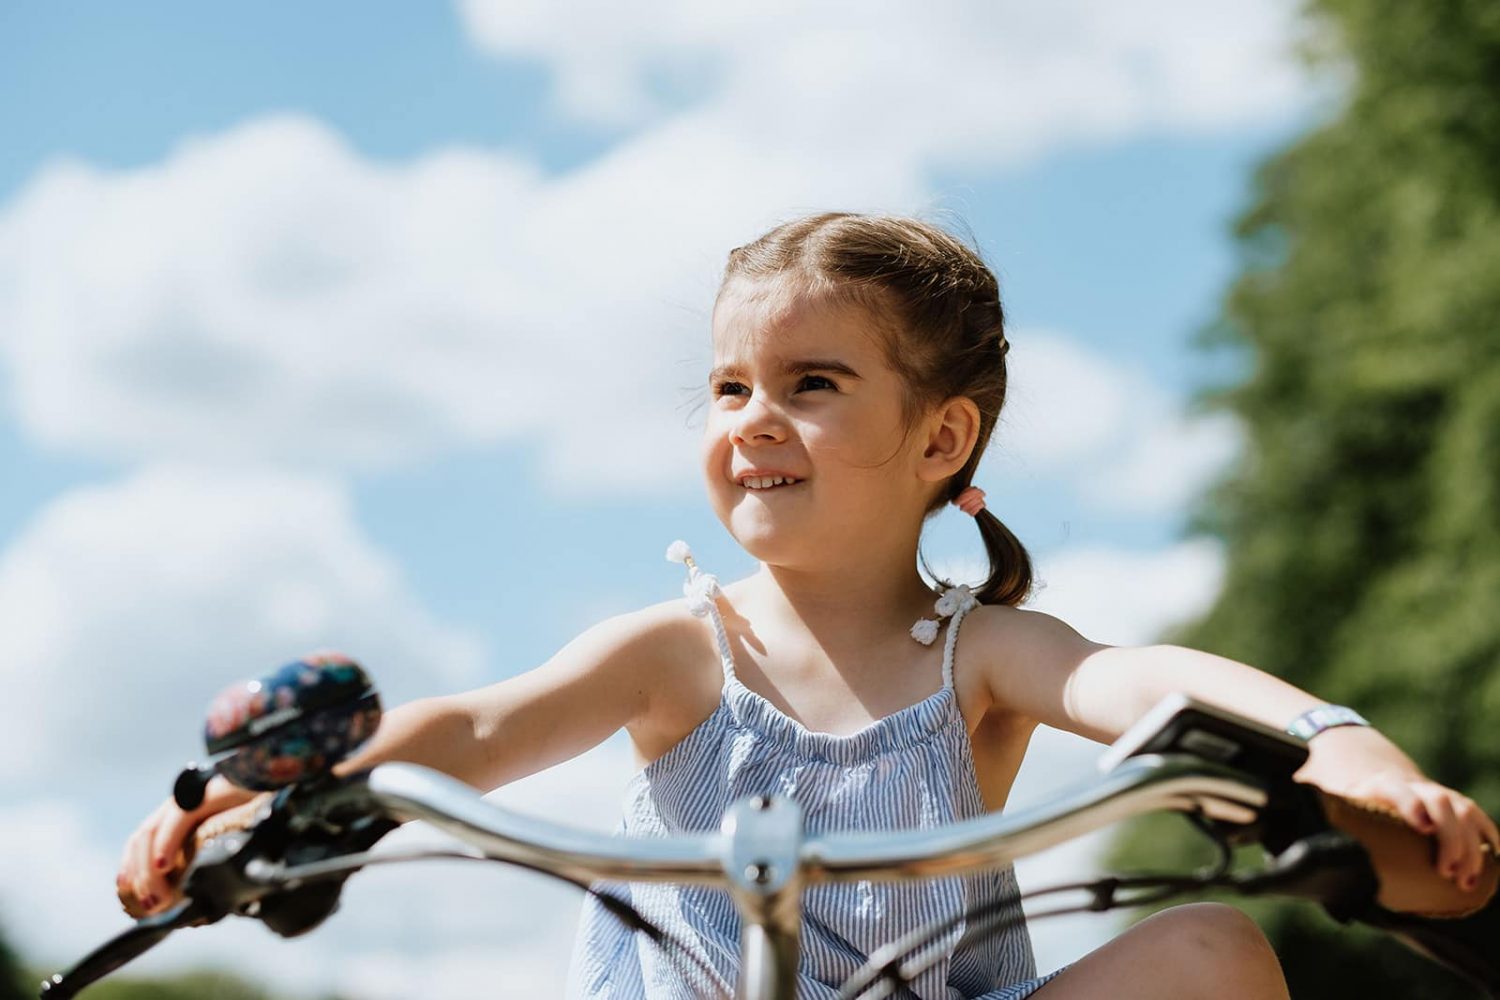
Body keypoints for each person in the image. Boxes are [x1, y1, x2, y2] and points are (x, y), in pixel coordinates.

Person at [118, 213, 1498, 998]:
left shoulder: (981, 656)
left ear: (942, 441)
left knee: (1213, 949)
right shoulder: (675, 652)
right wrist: (258, 806)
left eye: (811, 384)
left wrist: (1341, 746)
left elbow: (1149, 683)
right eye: (729, 388)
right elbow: (477, 733)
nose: (753, 420)